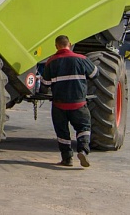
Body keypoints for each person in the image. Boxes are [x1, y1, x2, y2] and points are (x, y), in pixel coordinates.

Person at [41, 35, 98, 167]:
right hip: (79, 104)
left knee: (62, 132)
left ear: (56, 46)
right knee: (83, 127)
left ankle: (67, 159)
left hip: (59, 105)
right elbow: (95, 74)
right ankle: (83, 150)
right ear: (70, 44)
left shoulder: (51, 61)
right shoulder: (81, 59)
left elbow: (45, 83)